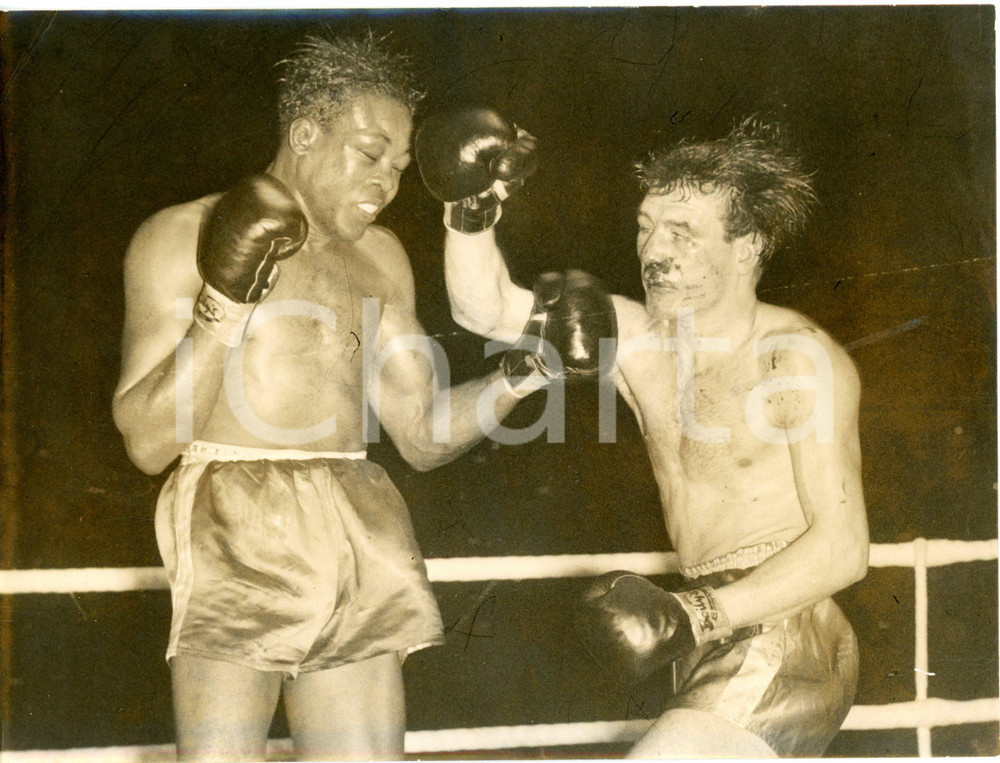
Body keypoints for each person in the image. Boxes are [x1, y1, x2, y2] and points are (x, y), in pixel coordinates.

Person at [111, 34, 614, 762]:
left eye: (402, 167)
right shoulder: (181, 234)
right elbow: (147, 439)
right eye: (370, 153)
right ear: (305, 133)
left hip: (357, 508)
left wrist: (531, 370)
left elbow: (421, 433)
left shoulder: (380, 258)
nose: (386, 182)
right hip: (230, 504)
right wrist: (224, 299)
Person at [415, 110, 869, 757]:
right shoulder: (636, 338)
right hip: (699, 630)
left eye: (683, 232)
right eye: (647, 227)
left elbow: (844, 546)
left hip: (784, 629)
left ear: (747, 246)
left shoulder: (794, 357)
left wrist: (697, 614)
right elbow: (482, 308)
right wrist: (469, 204)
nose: (655, 250)